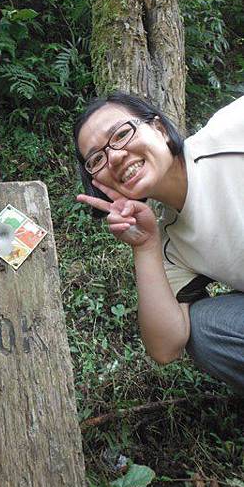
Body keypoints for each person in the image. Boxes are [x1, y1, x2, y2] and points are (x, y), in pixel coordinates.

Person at [74, 91, 244, 395]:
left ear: (160, 129)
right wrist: (145, 246)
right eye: (96, 158)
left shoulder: (232, 132)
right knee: (205, 328)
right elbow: (166, 347)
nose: (114, 157)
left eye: (122, 134)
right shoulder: (171, 242)